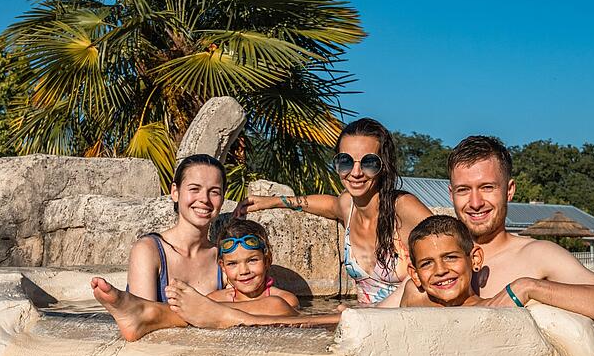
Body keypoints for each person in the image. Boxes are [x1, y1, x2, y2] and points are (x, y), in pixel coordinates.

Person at [235, 118, 432, 304]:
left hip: (403, 321)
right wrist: (274, 201)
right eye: (345, 161)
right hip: (361, 321)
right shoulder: (348, 205)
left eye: (369, 163)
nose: (356, 173)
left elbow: (447, 246)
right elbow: (329, 204)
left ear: (384, 165)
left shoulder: (402, 207)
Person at [446, 135, 594, 327]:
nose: (475, 203)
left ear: (509, 190)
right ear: (451, 194)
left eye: (487, 187)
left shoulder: (538, 255)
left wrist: (528, 287)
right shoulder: (436, 256)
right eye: (463, 190)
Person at [91, 153, 227, 341]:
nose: (204, 199)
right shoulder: (149, 250)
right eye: (194, 189)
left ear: (223, 198)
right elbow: (146, 336)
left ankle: (147, 312)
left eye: (214, 192)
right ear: (175, 192)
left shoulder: (223, 258)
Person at [208, 219, 299, 315]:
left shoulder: (287, 301)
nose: (244, 271)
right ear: (222, 266)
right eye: (232, 264)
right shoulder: (214, 299)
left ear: (267, 260)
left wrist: (215, 308)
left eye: (252, 260)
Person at [401, 215, 488, 308]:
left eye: (451, 257)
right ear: (415, 274)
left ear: (475, 259)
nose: (440, 271)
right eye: (426, 263)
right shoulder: (413, 299)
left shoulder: (490, 309)